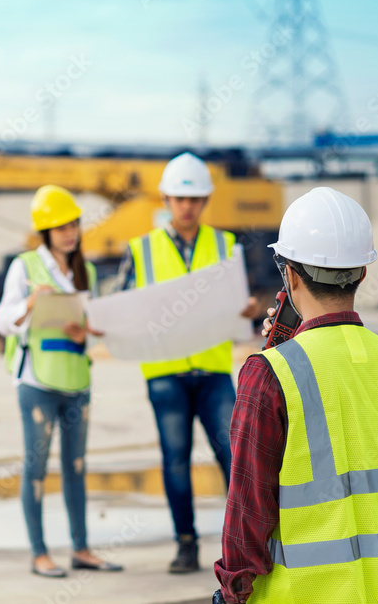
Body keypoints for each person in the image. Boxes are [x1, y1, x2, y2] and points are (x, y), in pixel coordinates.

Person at [213, 187, 378, 604]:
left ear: (289, 274)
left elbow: (247, 512)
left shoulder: (270, 374)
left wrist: (232, 590)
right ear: (363, 272)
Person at [115, 152, 260, 573]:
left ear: (205, 200)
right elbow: (122, 304)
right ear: (165, 199)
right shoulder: (141, 249)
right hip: (164, 374)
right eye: (180, 198)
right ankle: (185, 544)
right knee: (175, 459)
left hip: (213, 370)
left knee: (232, 456)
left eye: (194, 198)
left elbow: (239, 304)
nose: (187, 206)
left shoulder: (225, 245)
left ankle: (243, 546)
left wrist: (248, 310)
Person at [0, 185, 122, 578]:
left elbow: (94, 325)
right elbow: (2, 321)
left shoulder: (88, 272)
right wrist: (30, 304)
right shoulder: (25, 267)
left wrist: (87, 333)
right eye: (60, 226)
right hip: (37, 381)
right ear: (45, 231)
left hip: (76, 380)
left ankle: (81, 549)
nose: (70, 232)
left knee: (77, 466)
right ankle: (39, 553)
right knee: (36, 467)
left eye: (74, 224)